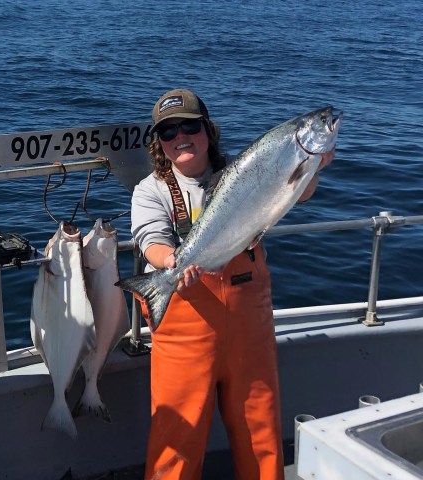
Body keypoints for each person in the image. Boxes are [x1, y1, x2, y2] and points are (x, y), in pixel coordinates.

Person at [130, 88, 334, 480]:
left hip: (249, 327)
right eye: (168, 132)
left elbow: (297, 192)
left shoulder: (246, 171)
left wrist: (313, 168)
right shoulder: (150, 190)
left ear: (208, 130)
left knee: (261, 436)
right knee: (177, 441)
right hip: (184, 331)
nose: (180, 137)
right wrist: (172, 264)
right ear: (159, 144)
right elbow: (150, 239)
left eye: (189, 125)